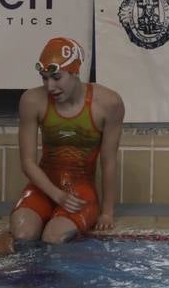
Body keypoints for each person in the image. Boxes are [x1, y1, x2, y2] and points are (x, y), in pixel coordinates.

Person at [12, 36, 125, 244]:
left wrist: (107, 213)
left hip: (80, 190)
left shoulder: (108, 104)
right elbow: (27, 162)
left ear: (75, 72)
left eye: (56, 77)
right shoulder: (32, 101)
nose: (50, 86)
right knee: (22, 235)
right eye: (44, 78)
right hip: (43, 188)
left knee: (53, 238)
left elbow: (108, 161)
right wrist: (57, 195)